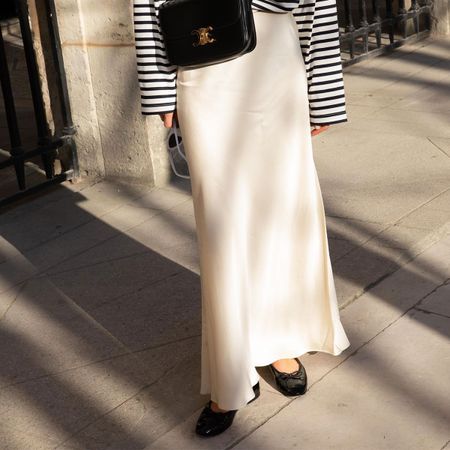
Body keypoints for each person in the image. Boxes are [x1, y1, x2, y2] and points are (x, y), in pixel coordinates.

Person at [133, 0, 351, 437]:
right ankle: (229, 376)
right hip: (203, 50)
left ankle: (280, 342)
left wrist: (323, 90)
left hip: (274, 54)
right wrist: (159, 85)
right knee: (222, 225)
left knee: (281, 210)